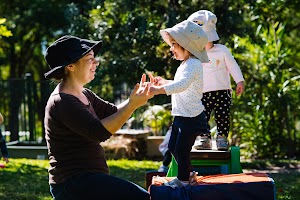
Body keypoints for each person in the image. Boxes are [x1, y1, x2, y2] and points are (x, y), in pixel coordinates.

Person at [43, 35, 153, 200]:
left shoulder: (84, 93)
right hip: (72, 183)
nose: (96, 63)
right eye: (90, 59)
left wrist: (137, 99)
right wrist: (132, 105)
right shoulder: (62, 101)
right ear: (71, 66)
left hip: (88, 179)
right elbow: (99, 132)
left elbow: (112, 112)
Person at [148, 20, 211, 188]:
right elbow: (180, 83)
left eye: (174, 44)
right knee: (173, 147)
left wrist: (157, 90)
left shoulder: (194, 64)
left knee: (182, 150)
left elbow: (181, 85)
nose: (171, 48)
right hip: (181, 115)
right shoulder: (185, 65)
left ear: (186, 45)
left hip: (192, 117)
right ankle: (188, 174)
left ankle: (183, 180)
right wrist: (163, 82)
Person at [187, 10, 245, 150]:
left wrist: (239, 80)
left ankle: (222, 138)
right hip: (202, 92)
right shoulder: (194, 54)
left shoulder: (222, 50)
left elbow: (232, 65)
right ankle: (204, 138)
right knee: (202, 117)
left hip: (222, 91)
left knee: (222, 116)